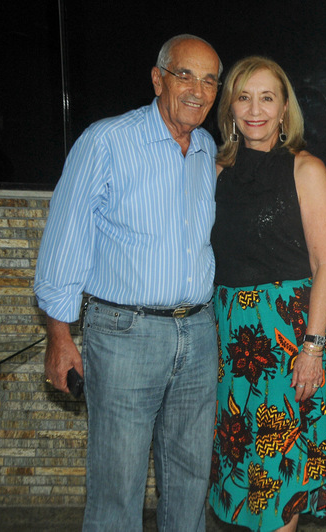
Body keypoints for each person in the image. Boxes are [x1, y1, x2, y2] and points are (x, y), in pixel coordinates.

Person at [34, 35, 222, 531]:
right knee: (118, 486)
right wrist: (59, 336)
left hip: (199, 336)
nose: (198, 91)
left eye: (210, 80)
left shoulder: (207, 150)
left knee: (189, 483)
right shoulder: (106, 141)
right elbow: (64, 238)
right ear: (158, 78)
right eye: (186, 75)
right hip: (124, 335)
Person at [208, 56, 326, 531]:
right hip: (230, 346)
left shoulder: (305, 169)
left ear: (285, 108)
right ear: (230, 107)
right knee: (245, 476)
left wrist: (312, 346)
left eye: (267, 97)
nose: (255, 108)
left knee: (279, 482)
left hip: (287, 341)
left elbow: (325, 265)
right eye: (244, 96)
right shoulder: (218, 171)